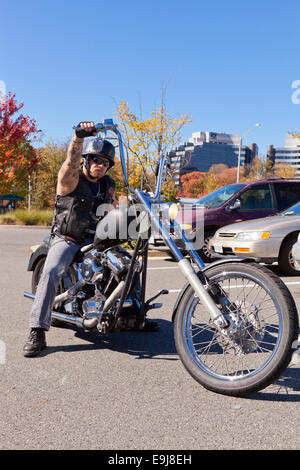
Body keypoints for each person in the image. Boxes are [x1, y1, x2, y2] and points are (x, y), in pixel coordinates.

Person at [23, 121, 117, 357]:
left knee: (128, 263)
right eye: (95, 159)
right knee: (52, 269)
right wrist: (78, 138)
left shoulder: (108, 185)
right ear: (86, 160)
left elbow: (113, 211)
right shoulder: (72, 179)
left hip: (96, 240)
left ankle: (134, 315)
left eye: (105, 162)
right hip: (68, 237)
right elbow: (70, 163)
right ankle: (37, 330)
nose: (100, 164)